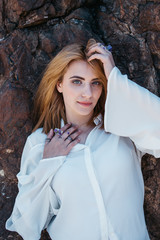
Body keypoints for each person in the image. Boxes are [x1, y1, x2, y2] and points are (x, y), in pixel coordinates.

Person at [5, 38, 160, 240]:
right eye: (77, 81)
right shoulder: (40, 143)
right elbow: (27, 224)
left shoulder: (121, 127)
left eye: (95, 83)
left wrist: (114, 75)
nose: (87, 93)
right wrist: (48, 163)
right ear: (59, 84)